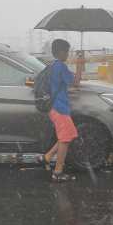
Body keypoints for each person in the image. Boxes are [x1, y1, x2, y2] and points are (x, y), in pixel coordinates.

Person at [43, 39, 81, 182]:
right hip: (59, 108)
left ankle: (46, 157)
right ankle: (58, 172)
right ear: (61, 52)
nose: (68, 54)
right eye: (67, 51)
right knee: (65, 139)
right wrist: (79, 64)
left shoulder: (54, 66)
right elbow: (76, 82)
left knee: (69, 135)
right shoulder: (60, 67)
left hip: (55, 107)